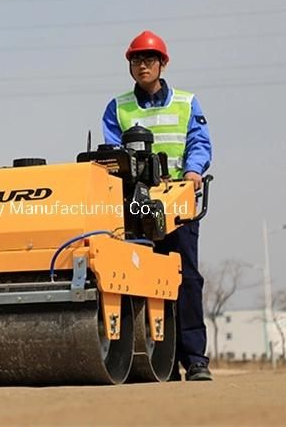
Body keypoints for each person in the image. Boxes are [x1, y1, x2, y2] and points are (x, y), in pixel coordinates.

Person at [101, 30, 213, 381]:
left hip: (176, 203)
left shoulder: (186, 101)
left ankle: (195, 359)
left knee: (186, 280)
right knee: (136, 278)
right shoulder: (118, 107)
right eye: (136, 60)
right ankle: (150, 358)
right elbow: (110, 154)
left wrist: (193, 171)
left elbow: (199, 142)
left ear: (162, 63)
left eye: (149, 59)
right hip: (133, 207)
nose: (142, 65)